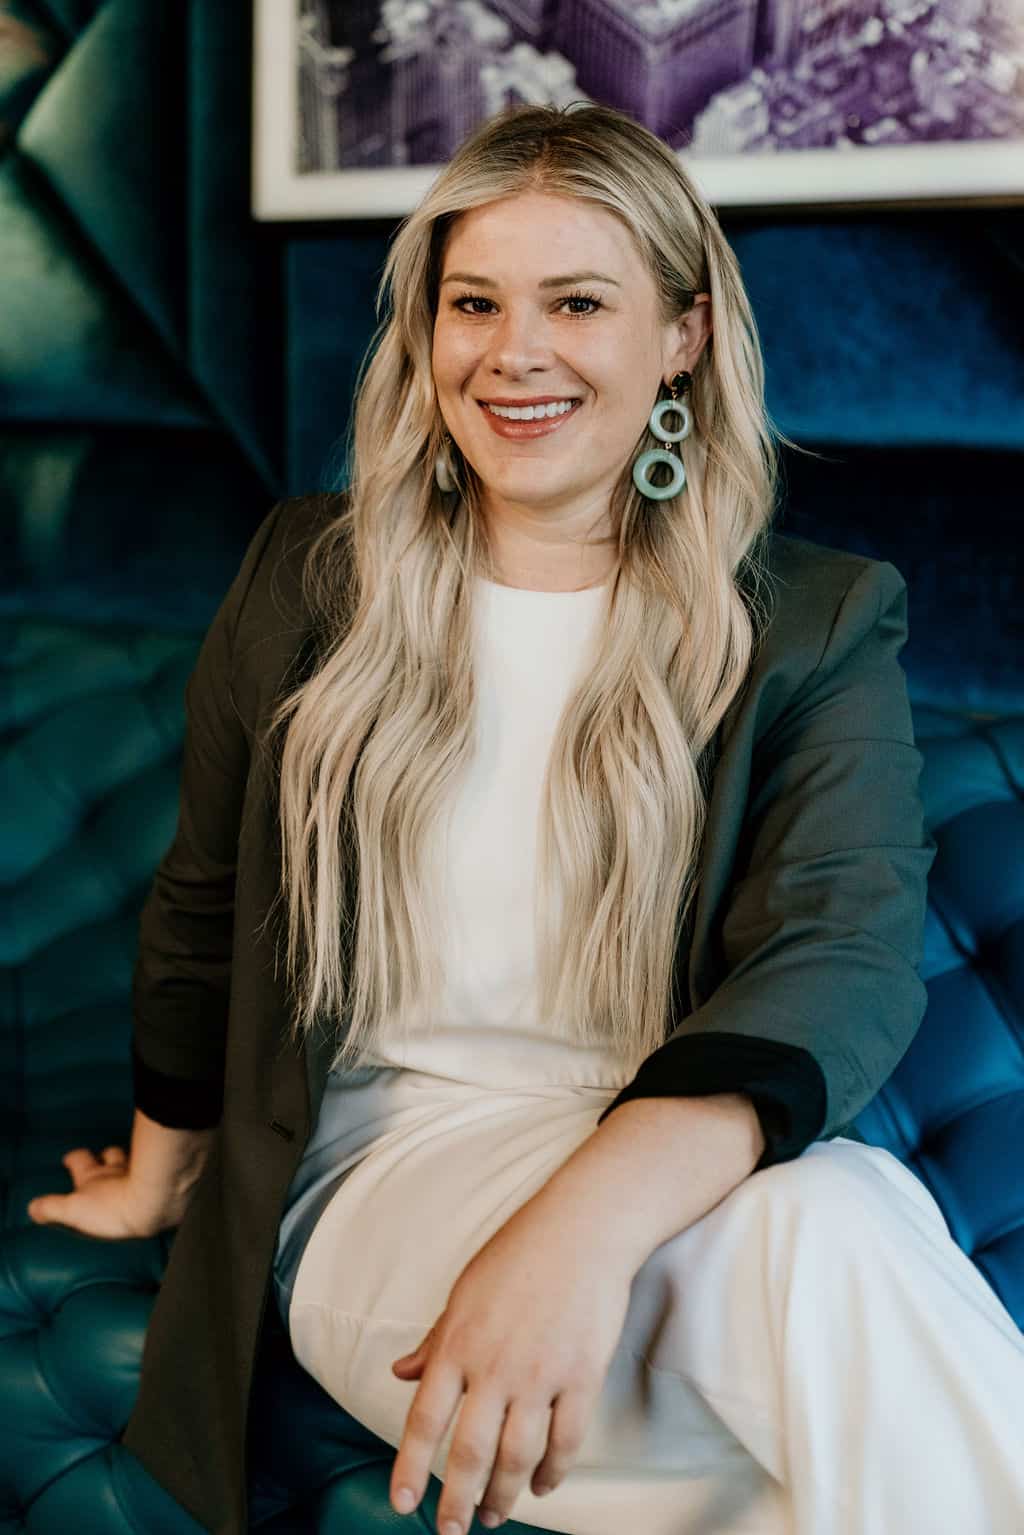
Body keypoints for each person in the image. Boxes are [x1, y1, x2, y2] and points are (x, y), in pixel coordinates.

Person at [26, 102, 1024, 1535]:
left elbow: (842, 954)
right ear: (426, 329)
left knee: (833, 1243)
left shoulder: (811, 618)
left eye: (579, 302)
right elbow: (201, 904)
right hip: (384, 1180)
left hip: (659, 1170)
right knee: (844, 1279)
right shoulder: (311, 580)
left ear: (682, 334)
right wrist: (159, 1176)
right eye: (473, 302)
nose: (516, 352)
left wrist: (572, 1234)